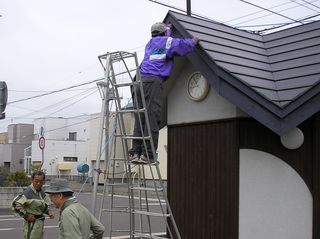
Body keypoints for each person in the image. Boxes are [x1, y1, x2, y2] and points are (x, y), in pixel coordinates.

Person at [129, 22, 199, 164]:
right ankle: (148, 155)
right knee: (152, 117)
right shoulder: (167, 42)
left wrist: (168, 29)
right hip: (153, 82)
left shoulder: (150, 43)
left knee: (141, 118)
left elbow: (165, 40)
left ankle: (135, 152)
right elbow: (181, 46)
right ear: (163, 33)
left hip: (139, 81)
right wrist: (194, 41)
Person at [12, 170, 54, 239]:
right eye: (36, 181)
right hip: (31, 225)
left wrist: (48, 212)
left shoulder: (41, 192)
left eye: (41, 181)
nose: (38, 183)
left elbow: (41, 206)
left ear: (43, 182)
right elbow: (15, 203)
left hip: (39, 224)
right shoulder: (28, 192)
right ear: (32, 180)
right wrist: (26, 215)